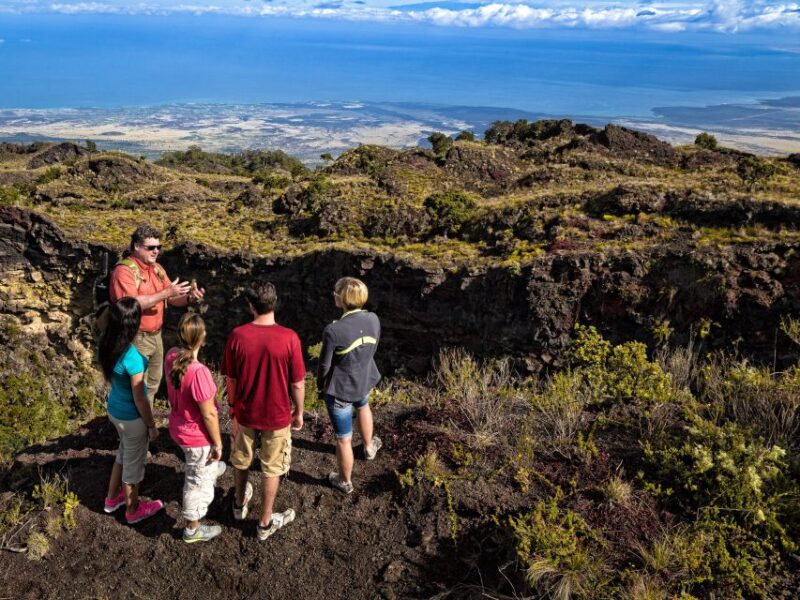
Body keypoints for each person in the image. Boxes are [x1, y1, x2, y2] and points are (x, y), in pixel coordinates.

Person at [221, 281, 305, 540]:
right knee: (272, 467)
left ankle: (238, 504)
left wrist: (232, 407)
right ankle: (265, 522)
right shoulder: (289, 338)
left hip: (245, 412)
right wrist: (299, 412)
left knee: (241, 459)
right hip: (277, 415)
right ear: (274, 303)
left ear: (251, 305)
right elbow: (297, 383)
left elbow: (231, 379)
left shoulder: (237, 336)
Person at [109, 224, 204, 406]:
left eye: (158, 247)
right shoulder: (124, 272)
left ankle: (147, 417)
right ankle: (137, 420)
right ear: (136, 246)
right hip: (135, 337)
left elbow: (172, 298)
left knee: (153, 382)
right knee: (137, 386)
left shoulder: (157, 268)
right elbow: (131, 304)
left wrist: (190, 298)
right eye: (151, 247)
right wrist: (166, 293)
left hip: (156, 336)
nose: (156, 251)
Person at [100, 297, 164, 524]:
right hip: (132, 418)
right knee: (133, 470)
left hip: (115, 410)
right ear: (135, 324)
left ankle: (111, 499)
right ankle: (133, 510)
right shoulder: (132, 358)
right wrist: (151, 426)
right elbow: (140, 398)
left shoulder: (106, 342)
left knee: (123, 454)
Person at [317, 277, 382, 494]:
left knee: (344, 439)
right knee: (363, 406)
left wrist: (320, 386)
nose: (334, 295)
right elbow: (373, 350)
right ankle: (369, 447)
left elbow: (324, 365)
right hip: (364, 380)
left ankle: (344, 481)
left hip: (341, 389)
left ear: (343, 299)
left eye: (335, 293)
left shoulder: (333, 330)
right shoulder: (373, 319)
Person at [165, 313, 225, 544]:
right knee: (196, 483)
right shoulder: (199, 372)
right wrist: (218, 444)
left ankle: (209, 469)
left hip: (178, 426)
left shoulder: (172, 355)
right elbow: (209, 414)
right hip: (196, 437)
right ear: (202, 337)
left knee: (200, 467)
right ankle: (192, 529)